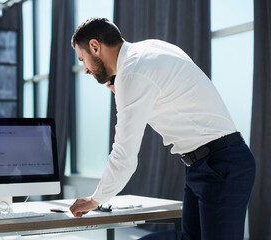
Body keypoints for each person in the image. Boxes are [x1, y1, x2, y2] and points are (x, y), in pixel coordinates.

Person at [69, 17, 255, 240]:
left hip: (221, 164)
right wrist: (125, 93)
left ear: (95, 46)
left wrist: (94, 200)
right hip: (204, 163)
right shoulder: (150, 48)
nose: (86, 70)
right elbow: (173, 97)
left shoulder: (132, 73)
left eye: (83, 59)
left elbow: (124, 156)